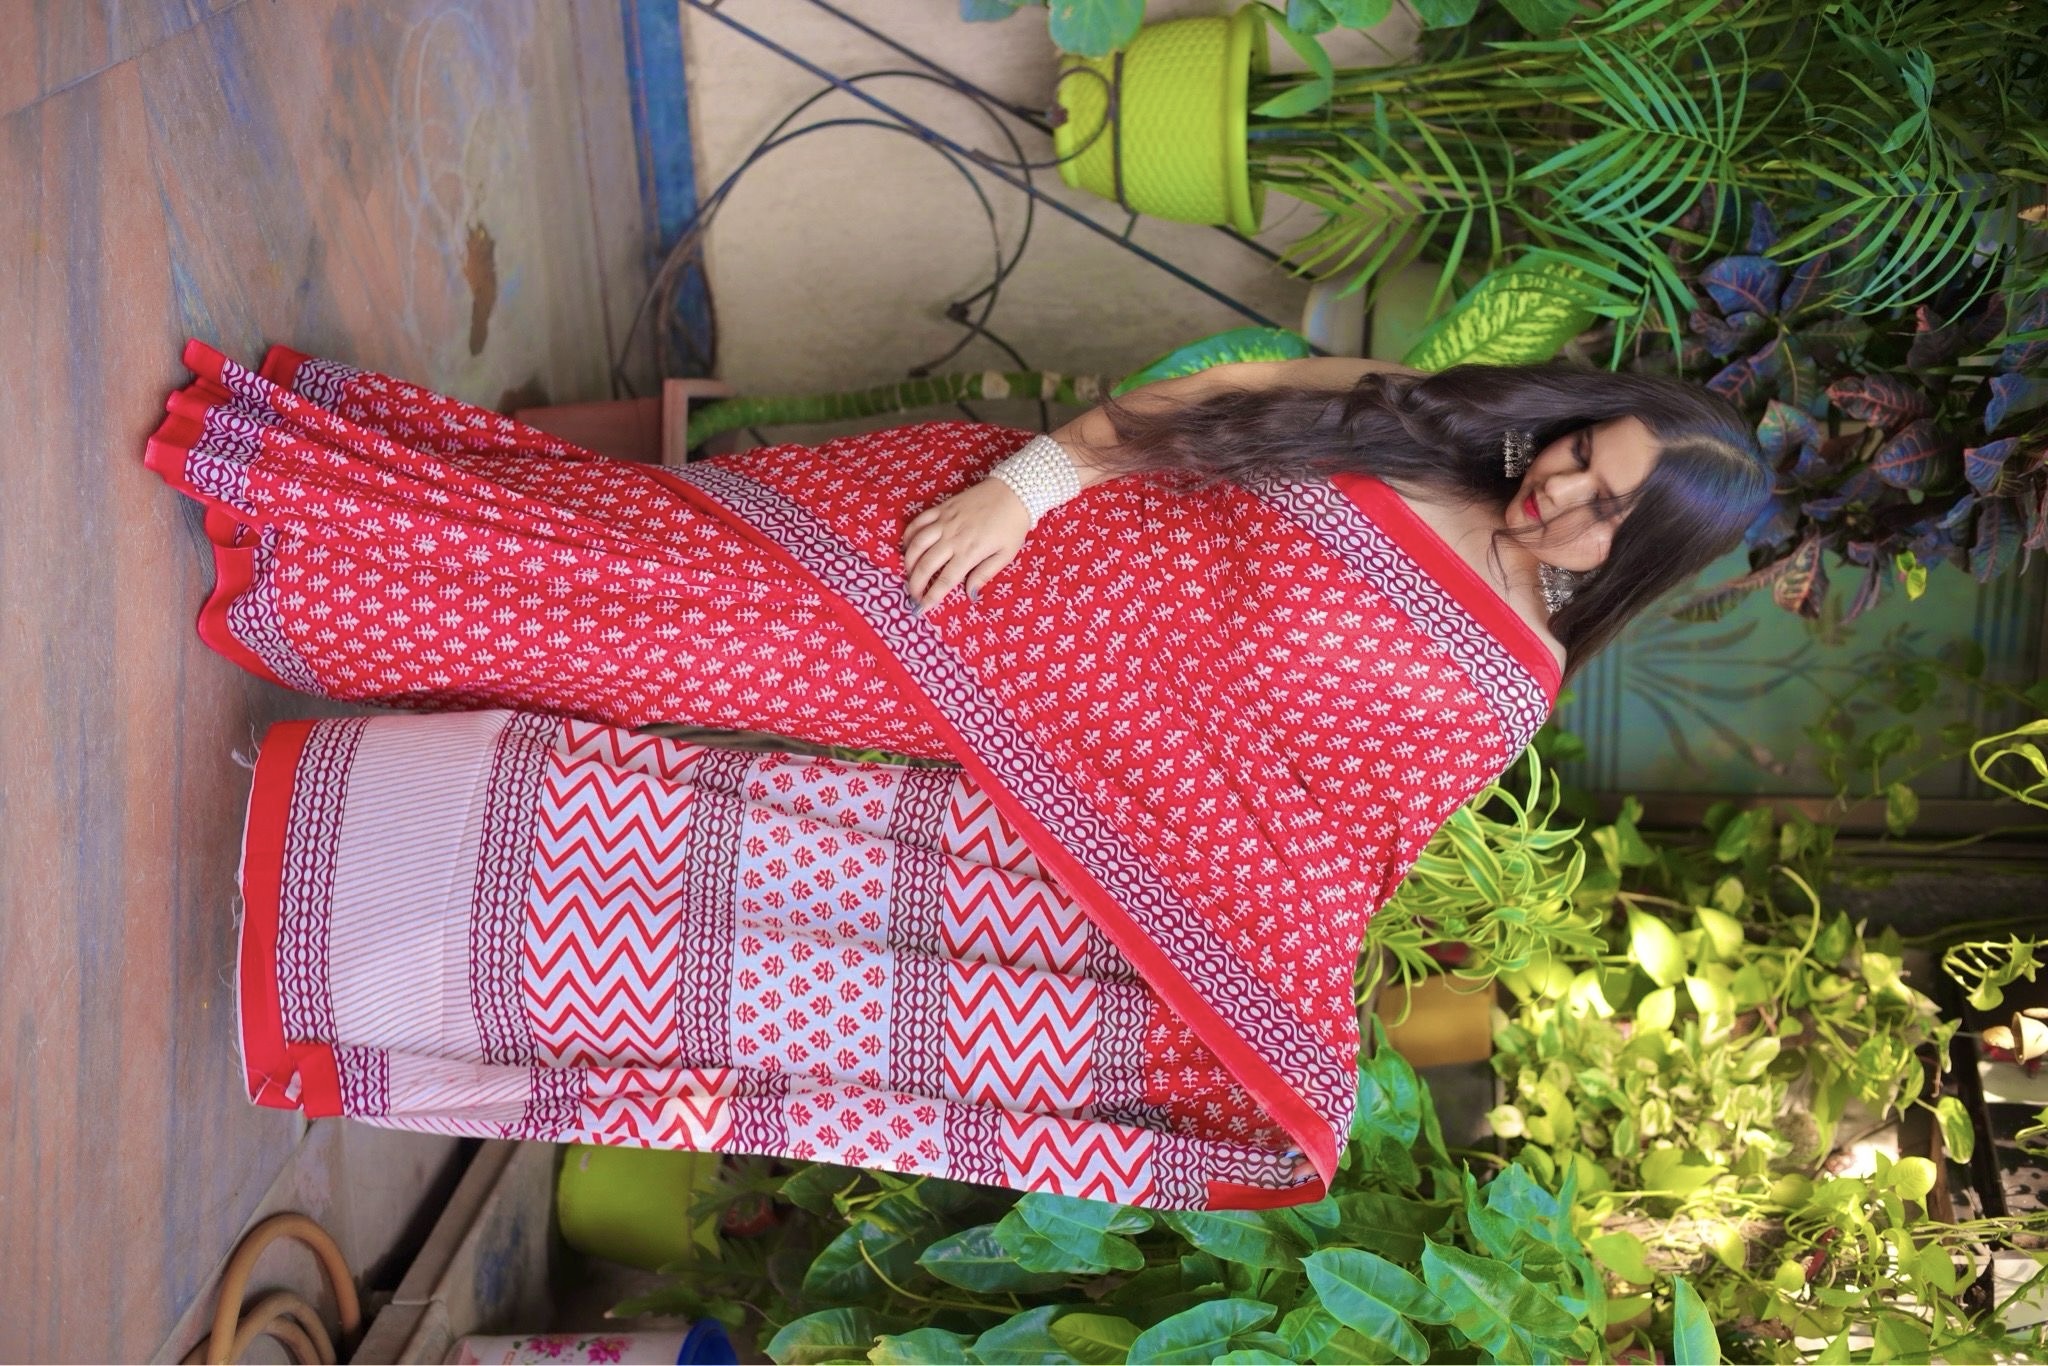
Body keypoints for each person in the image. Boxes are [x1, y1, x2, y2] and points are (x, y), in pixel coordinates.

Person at [148, 341, 1764, 1209]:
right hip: (961, 539)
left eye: (1609, 508)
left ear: (1644, 558)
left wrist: (1260, 1020)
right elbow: (1205, 402)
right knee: (667, 565)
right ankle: (307, 507)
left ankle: (332, 588)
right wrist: (1030, 483)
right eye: (1587, 451)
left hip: (991, 724)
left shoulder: (1505, 685)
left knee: (642, 666)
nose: (1564, 492)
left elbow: (1317, 844)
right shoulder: (1428, 436)